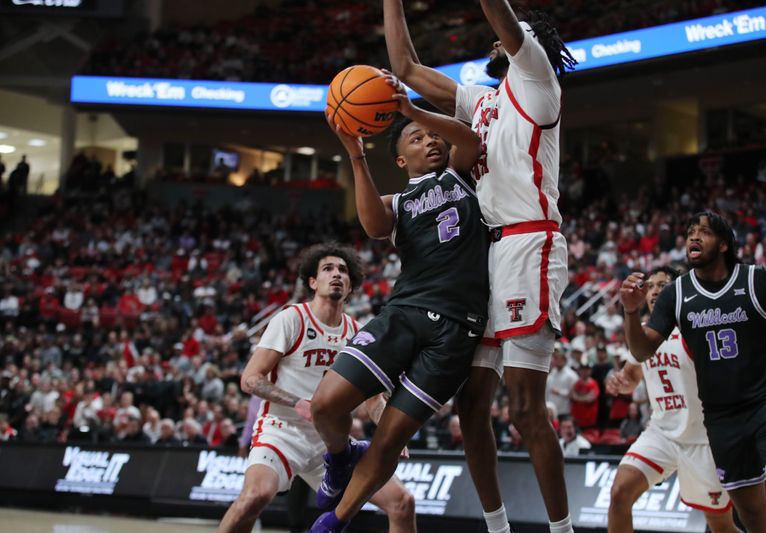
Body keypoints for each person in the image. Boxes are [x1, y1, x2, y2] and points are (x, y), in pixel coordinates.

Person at [383, 1, 577, 532]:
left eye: (504, 38)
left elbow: (503, 18)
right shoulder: (483, 101)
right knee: (471, 405)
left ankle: (561, 529)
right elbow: (405, 69)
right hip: (485, 254)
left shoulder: (536, 77)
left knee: (524, 409)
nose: (492, 43)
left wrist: (509, 26)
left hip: (527, 243)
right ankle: (497, 527)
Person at [308, 74, 488, 532]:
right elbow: (370, 225)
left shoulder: (461, 173)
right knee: (326, 405)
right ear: (400, 157)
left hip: (455, 329)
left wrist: (413, 112)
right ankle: (340, 455)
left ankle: (335, 521)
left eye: (434, 135)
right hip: (404, 313)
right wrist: (354, 154)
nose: (430, 140)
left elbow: (466, 137)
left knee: (389, 440)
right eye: (416, 138)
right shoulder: (400, 199)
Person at [620, 211, 766, 532]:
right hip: (721, 418)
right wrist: (631, 312)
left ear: (724, 245)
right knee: (753, 518)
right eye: (690, 231)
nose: (693, 236)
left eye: (703, 231)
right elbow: (642, 350)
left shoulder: (759, 279)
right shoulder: (676, 294)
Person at [219, 243, 415, 533]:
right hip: (281, 430)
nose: (336, 274)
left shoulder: (357, 333)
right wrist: (298, 402)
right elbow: (250, 378)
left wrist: (392, 431)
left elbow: (373, 400)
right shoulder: (291, 319)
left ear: (351, 286)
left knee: (403, 502)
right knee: (253, 498)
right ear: (313, 281)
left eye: (343, 270)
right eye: (328, 269)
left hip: (332, 441)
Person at [607, 266, 739, 533]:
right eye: (651, 285)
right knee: (620, 493)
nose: (655, 290)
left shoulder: (696, 326)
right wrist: (622, 382)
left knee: (720, 525)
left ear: (679, 291)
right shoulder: (642, 331)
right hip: (661, 434)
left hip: (703, 439)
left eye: (663, 285)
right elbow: (633, 374)